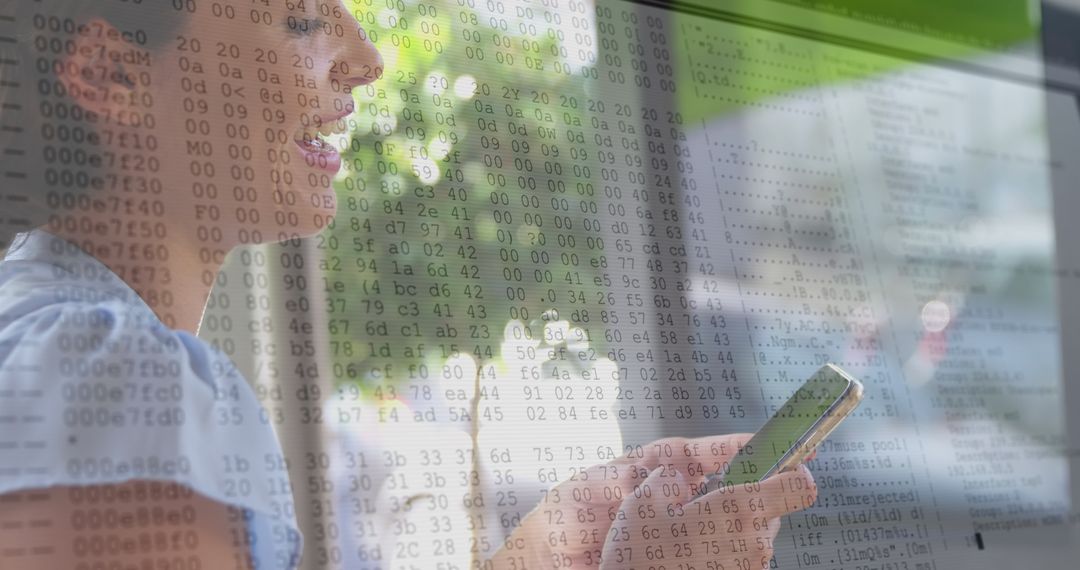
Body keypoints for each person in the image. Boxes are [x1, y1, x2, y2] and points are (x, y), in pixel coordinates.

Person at [0, 1, 815, 568]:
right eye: (300, 17)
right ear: (110, 74)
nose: (365, 59)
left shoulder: (57, 345)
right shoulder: (107, 370)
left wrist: (538, 558)